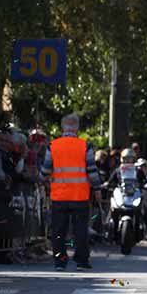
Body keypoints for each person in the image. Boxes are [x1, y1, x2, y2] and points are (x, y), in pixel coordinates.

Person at [40, 113, 102, 270]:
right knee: (80, 230)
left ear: (62, 128)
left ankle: (60, 261)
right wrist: (97, 189)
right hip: (80, 195)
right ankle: (82, 260)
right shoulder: (85, 146)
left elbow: (46, 170)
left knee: (59, 230)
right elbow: (92, 171)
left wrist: (42, 180)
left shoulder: (53, 146)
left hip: (59, 196)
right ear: (77, 128)